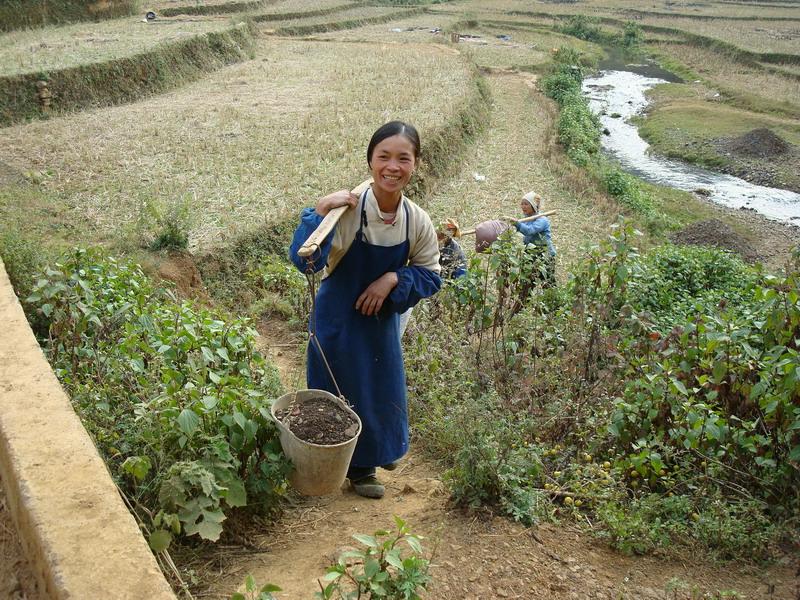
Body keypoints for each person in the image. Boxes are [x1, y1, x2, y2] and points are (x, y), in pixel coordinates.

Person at [289, 121, 442, 499]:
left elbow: (431, 274)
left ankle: (372, 460)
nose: (393, 166)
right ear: (370, 161)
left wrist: (392, 279)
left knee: (379, 388)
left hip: (379, 322)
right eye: (383, 157)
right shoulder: (348, 211)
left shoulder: (415, 220)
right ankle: (340, 470)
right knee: (336, 392)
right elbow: (305, 261)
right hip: (338, 319)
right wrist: (318, 213)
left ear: (416, 164)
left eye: (403, 158)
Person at [508, 191, 556, 288]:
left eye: (526, 204)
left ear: (533, 206)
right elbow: (522, 230)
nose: (523, 206)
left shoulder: (542, 220)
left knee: (547, 283)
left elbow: (529, 231)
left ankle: (552, 301)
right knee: (527, 282)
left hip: (544, 255)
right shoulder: (527, 218)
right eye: (522, 204)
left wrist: (516, 223)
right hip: (530, 253)